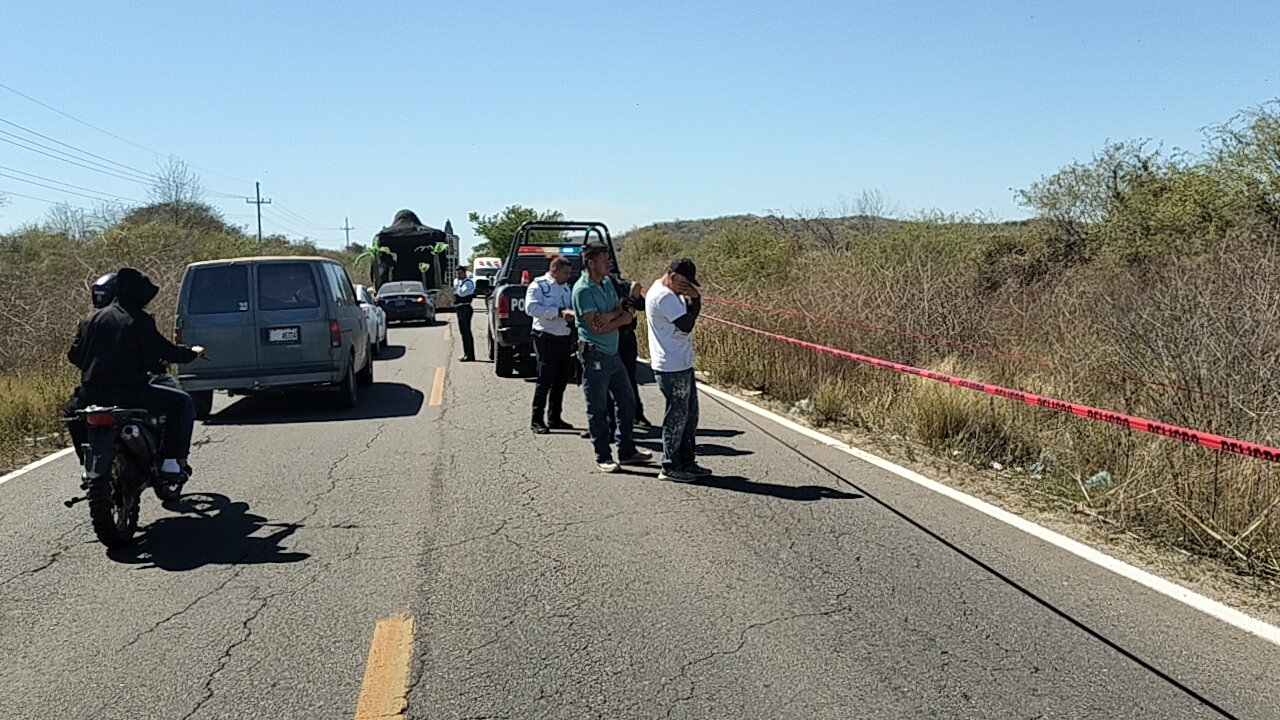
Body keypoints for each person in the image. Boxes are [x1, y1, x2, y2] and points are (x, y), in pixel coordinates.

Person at [67, 268, 205, 482]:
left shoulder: (91, 320)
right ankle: (171, 463)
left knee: (72, 413)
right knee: (182, 403)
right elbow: (162, 353)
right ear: (137, 294)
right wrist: (191, 354)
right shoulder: (139, 320)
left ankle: (87, 462)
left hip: (91, 394)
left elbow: (75, 356)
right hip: (132, 394)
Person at [572, 243, 653, 472]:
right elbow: (597, 328)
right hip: (595, 356)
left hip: (614, 354)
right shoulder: (583, 290)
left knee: (627, 401)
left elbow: (618, 307)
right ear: (591, 263)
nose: (609, 263)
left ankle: (626, 451)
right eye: (604, 260)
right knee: (597, 408)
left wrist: (612, 315)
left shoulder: (607, 282)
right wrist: (624, 318)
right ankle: (603, 456)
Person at [646, 258, 708, 482]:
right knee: (677, 418)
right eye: (684, 282)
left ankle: (686, 461)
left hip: (681, 362)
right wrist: (696, 299)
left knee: (689, 416)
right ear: (672, 277)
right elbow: (686, 324)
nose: (687, 287)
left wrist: (691, 299)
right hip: (671, 366)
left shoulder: (672, 293)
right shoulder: (664, 296)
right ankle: (670, 465)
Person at [525, 256, 577, 434]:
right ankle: (536, 419)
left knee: (561, 380)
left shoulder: (566, 288)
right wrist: (558, 313)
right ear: (554, 271)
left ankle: (554, 417)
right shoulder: (539, 285)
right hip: (546, 337)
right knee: (545, 379)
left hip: (564, 337)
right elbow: (531, 309)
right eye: (565, 272)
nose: (568, 276)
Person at [612, 270, 653, 430]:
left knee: (629, 378)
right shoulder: (597, 289)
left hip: (626, 338)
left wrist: (633, 300)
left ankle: (637, 414)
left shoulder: (625, 287)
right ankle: (608, 420)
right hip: (608, 337)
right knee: (605, 381)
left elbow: (642, 305)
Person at [453, 265, 477, 361]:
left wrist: (457, 286)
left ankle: (470, 355)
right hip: (460, 308)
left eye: (460, 273)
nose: (458, 275)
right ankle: (467, 353)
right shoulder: (460, 283)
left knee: (466, 332)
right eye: (457, 274)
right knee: (463, 332)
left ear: (464, 273)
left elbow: (462, 293)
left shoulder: (468, 283)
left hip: (465, 308)